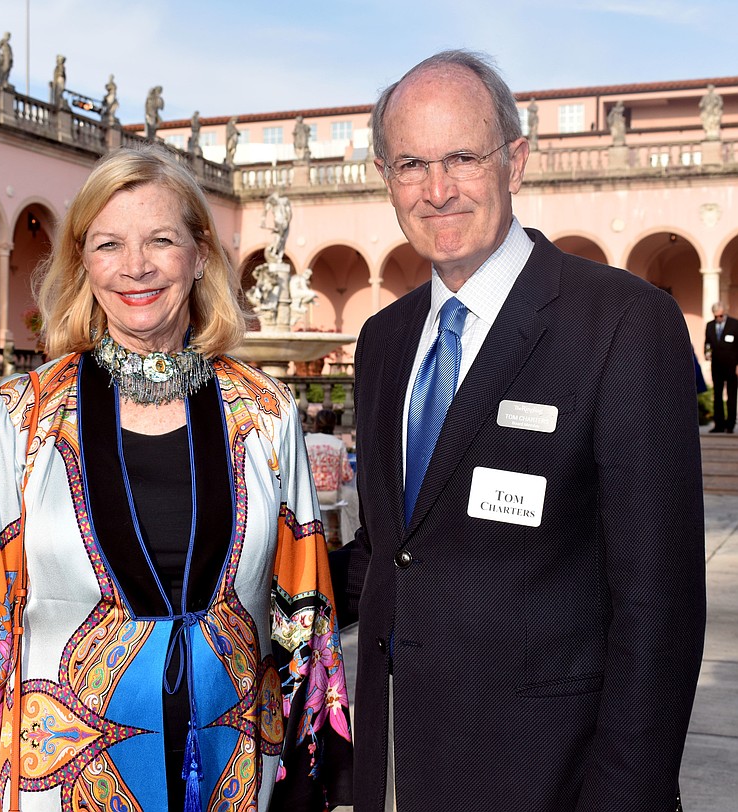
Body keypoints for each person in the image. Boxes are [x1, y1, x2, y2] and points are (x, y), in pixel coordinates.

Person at [0, 144, 352, 811]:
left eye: (161, 240)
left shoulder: (267, 414)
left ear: (200, 254)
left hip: (237, 779)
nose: (136, 266)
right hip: (60, 783)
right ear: (82, 260)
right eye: (109, 244)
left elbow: (306, 618)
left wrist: (309, 779)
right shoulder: (21, 419)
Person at [336, 49, 705, 811]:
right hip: (402, 767)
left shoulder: (623, 325)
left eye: (462, 158)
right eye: (411, 164)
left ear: (517, 159)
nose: (437, 191)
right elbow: (388, 551)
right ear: (385, 176)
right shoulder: (383, 342)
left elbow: (659, 605)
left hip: (551, 779)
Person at [304, 409, 353, 506]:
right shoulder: (338, 444)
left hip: (307, 493)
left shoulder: (305, 441)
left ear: (316, 423)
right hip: (332, 496)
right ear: (333, 425)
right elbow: (347, 475)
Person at [704, 301, 738, 433]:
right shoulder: (710, 326)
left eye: (720, 316)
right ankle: (719, 425)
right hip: (717, 367)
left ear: (724, 313)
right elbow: (707, 343)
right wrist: (707, 353)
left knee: (731, 396)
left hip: (732, 366)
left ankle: (730, 425)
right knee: (717, 396)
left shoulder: (735, 325)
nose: (718, 319)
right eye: (716, 316)